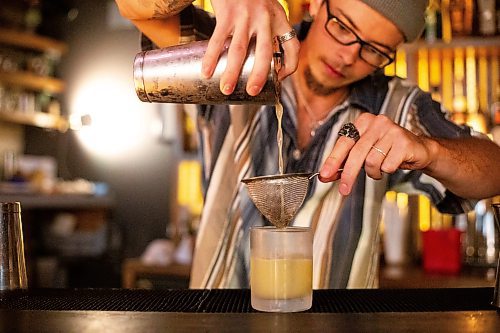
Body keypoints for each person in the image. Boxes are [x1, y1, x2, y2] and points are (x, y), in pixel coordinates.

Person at [115, 0, 500, 289]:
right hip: (217, 321)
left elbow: (493, 171)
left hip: (337, 327)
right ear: (317, 3)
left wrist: (430, 151)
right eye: (343, 27)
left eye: (375, 51)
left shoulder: (397, 107)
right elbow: (138, 8)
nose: (349, 55)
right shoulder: (234, 56)